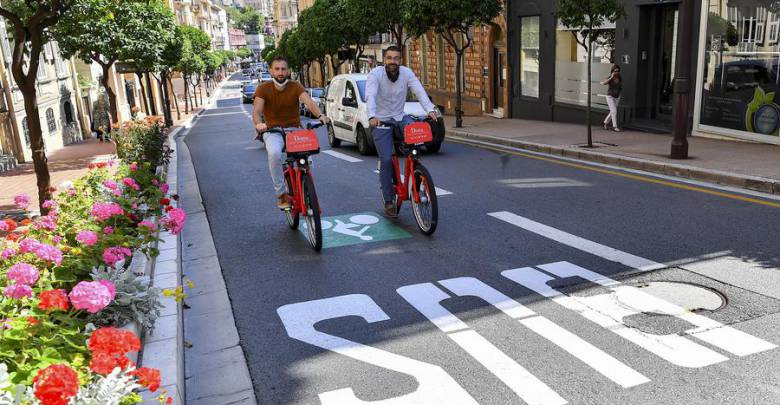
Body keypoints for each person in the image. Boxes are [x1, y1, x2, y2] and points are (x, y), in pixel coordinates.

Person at [366, 46, 438, 218]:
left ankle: (416, 168)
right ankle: (389, 200)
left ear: (401, 60)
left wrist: (430, 109)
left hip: (399, 117)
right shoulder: (375, 75)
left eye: (396, 58)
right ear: (384, 60)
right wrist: (372, 116)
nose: (393, 61)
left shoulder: (406, 73)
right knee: (386, 160)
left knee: (416, 136)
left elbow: (419, 90)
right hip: (381, 120)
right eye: (389, 58)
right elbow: (371, 95)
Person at [252, 55, 329, 210]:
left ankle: (306, 186)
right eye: (277, 69)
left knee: (307, 158)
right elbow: (257, 111)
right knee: (274, 153)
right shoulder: (263, 88)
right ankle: (281, 194)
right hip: (272, 130)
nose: (280, 72)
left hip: (294, 129)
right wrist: (259, 124)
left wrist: (320, 116)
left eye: (283, 69)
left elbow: (308, 102)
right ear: (271, 70)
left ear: (288, 71)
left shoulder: (295, 86)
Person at [601, 64, 622, 132]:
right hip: (610, 96)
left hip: (617, 97)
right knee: (614, 111)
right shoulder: (610, 77)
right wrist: (611, 77)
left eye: (618, 71)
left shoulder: (620, 77)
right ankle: (614, 126)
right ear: (612, 71)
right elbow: (604, 83)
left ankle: (605, 122)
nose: (617, 72)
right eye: (615, 71)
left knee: (612, 112)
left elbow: (620, 86)